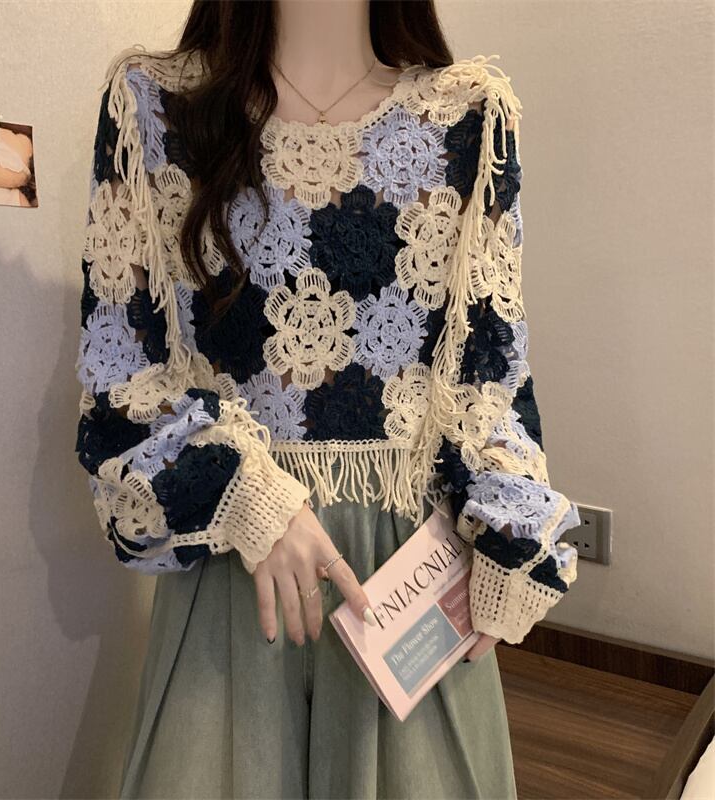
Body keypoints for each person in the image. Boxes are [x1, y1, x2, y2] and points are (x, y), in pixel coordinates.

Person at [74, 1, 581, 797]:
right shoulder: (155, 107)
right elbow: (121, 378)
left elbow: (489, 380)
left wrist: (512, 533)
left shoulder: (469, 117)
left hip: (405, 580)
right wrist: (247, 497)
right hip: (237, 565)